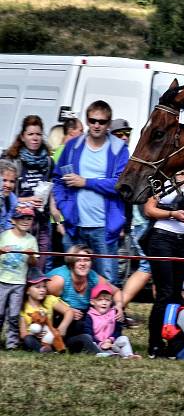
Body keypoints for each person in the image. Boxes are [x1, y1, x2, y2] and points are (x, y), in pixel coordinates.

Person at [52, 100, 129, 283]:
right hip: (75, 226)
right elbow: (57, 179)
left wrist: (85, 182)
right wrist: (63, 208)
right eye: (92, 120)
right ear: (87, 120)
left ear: (108, 124)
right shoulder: (73, 147)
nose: (96, 125)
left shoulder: (119, 149)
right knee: (71, 281)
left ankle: (105, 313)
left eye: (101, 122)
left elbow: (120, 184)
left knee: (105, 281)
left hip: (103, 227)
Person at [143, 168, 184, 358]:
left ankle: (175, 342)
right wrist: (173, 214)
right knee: (165, 292)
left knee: (178, 295)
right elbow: (149, 209)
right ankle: (155, 344)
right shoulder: (160, 178)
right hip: (161, 238)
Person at [2, 115, 54, 270]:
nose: (35, 138)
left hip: (41, 220)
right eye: (31, 134)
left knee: (39, 265)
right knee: (15, 265)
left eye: (38, 134)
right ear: (23, 136)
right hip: (17, 221)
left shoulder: (49, 162)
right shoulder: (11, 159)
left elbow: (53, 189)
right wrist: (27, 200)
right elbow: (4, 193)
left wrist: (55, 214)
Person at [46, 245, 119, 354]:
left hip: (81, 318)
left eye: (87, 260)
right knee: (79, 323)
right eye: (78, 260)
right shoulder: (59, 280)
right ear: (71, 263)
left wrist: (119, 306)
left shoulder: (93, 277)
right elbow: (40, 297)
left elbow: (117, 292)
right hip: (57, 318)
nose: (83, 264)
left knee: (100, 318)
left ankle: (102, 344)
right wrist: (66, 309)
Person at [0, 204, 39, 349]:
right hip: (2, 281)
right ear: (13, 220)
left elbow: (34, 262)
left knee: (14, 315)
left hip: (19, 283)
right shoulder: (4, 236)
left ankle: (12, 344)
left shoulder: (31, 240)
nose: (25, 221)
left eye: (29, 218)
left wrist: (30, 256)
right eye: (22, 218)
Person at [19, 268, 70, 353]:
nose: (42, 290)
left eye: (44, 286)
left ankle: (53, 348)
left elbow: (69, 311)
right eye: (38, 287)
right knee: (28, 339)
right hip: (33, 338)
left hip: (49, 337)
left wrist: (61, 328)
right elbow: (23, 334)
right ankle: (44, 350)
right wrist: (36, 334)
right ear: (27, 290)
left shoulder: (49, 299)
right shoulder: (23, 308)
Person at [85, 283, 140, 359]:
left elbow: (118, 330)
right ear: (92, 302)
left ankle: (128, 355)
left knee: (124, 338)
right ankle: (110, 355)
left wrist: (110, 340)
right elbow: (89, 333)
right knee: (92, 345)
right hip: (98, 344)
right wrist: (101, 344)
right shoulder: (90, 316)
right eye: (100, 300)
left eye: (107, 300)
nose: (104, 303)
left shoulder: (114, 313)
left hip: (112, 343)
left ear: (111, 301)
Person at [0, 159, 18, 231]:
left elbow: (8, 225)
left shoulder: (12, 199)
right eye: (4, 180)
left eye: (12, 181)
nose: (8, 185)